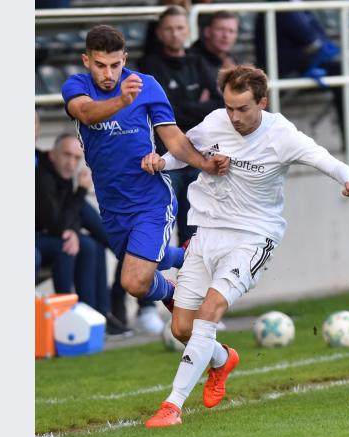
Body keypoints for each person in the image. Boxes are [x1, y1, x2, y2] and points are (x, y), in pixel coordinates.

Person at [143, 65, 349, 427]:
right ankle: (222, 360)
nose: (234, 117)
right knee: (181, 328)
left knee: (211, 310)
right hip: (207, 232)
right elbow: (184, 150)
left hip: (252, 236)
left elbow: (326, 160)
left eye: (243, 108)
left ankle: (172, 405)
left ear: (262, 102)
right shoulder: (216, 121)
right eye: (229, 107)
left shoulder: (283, 135)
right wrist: (160, 162)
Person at [60, 25, 230, 330]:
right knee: (141, 267)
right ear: (87, 61)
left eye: (115, 65)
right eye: (100, 65)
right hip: (111, 204)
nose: (108, 73)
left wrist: (204, 164)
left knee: (135, 281)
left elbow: (174, 140)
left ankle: (174, 294)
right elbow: (86, 113)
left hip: (150, 198)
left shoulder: (146, 86)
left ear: (125, 58)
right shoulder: (76, 86)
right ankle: (191, 254)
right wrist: (121, 102)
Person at [139, 5, 225, 245]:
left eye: (179, 28)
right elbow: (164, 112)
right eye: (169, 29)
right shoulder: (149, 66)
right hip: (165, 160)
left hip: (197, 156)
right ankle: (131, 284)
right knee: (156, 235)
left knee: (195, 236)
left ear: (188, 31)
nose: (175, 34)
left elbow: (220, 105)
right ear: (159, 33)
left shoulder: (198, 63)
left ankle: (190, 284)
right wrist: (196, 106)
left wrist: (182, 108)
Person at [254, 2, 349, 151]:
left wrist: (315, 48)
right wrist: (314, 48)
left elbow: (319, 38)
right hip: (286, 67)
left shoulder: (297, 5)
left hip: (304, 62)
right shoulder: (282, 6)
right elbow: (309, 38)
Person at [36, 134, 111, 315]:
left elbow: (69, 215)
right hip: (40, 238)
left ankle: (97, 314)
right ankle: (70, 315)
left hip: (54, 234)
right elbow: (57, 223)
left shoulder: (64, 174)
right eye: (66, 155)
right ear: (53, 154)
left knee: (93, 245)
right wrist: (82, 191)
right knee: (69, 246)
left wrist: (73, 231)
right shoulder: (43, 177)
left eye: (76, 158)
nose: (71, 162)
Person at [190, 10, 239, 75]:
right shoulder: (191, 61)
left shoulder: (233, 61)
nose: (226, 36)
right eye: (220, 29)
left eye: (231, 31)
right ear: (207, 31)